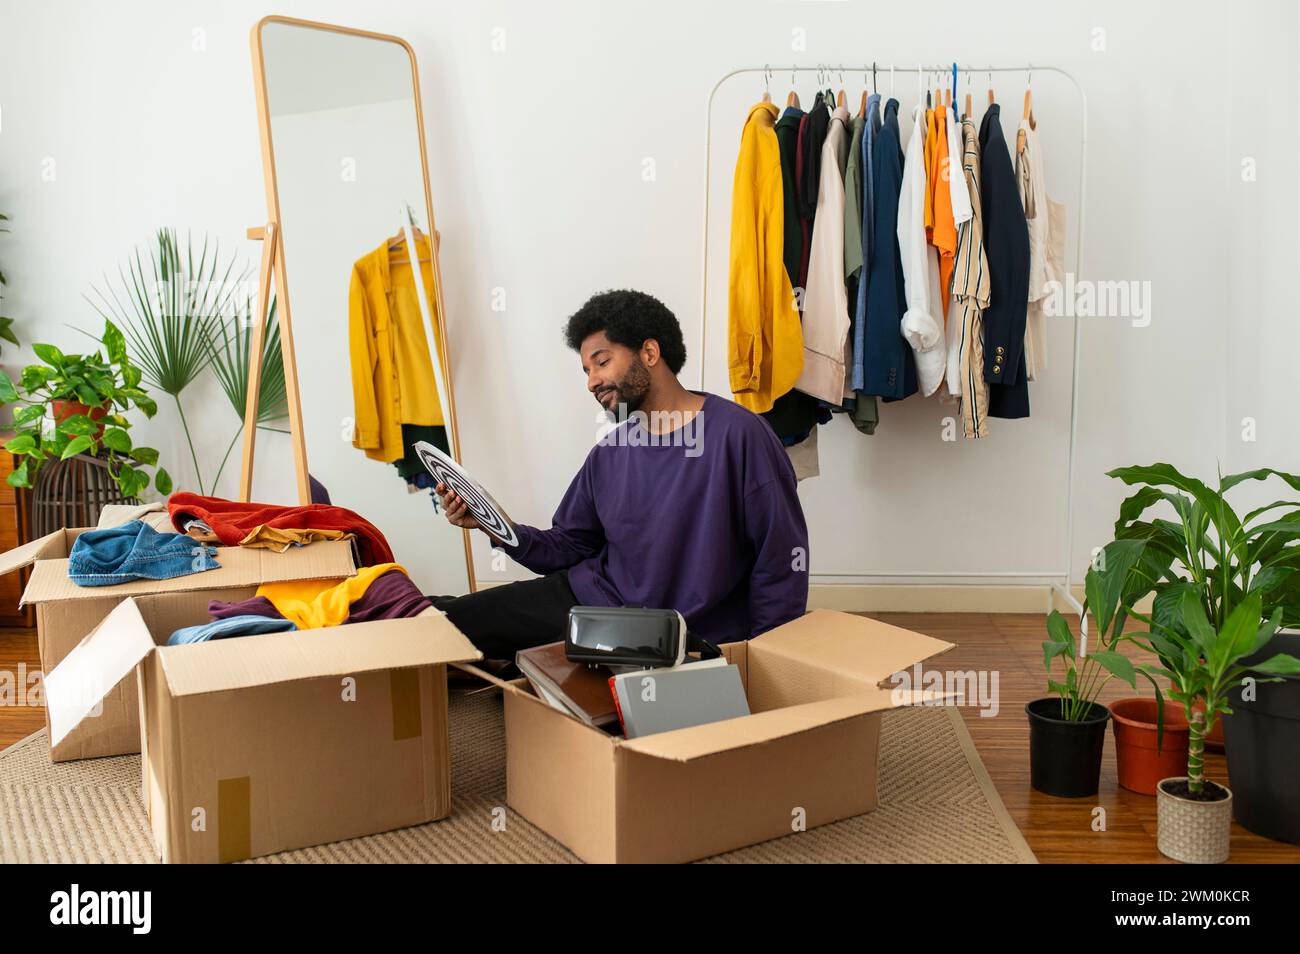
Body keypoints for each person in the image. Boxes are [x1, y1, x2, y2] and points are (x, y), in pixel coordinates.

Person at [432, 289, 808, 662]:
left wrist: (766, 662)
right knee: (444, 621)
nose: (591, 382)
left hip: (680, 635)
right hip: (595, 601)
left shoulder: (741, 436)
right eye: (587, 370)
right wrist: (495, 526)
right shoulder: (609, 452)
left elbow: (780, 562)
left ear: (649, 353)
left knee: (604, 706)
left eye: (601, 362)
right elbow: (568, 545)